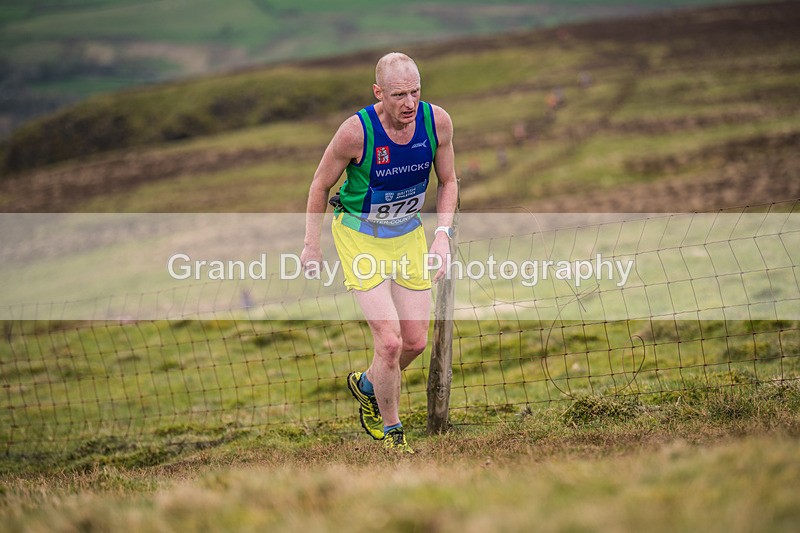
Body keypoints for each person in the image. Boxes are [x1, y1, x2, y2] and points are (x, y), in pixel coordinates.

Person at [301, 52, 458, 454]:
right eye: (399, 94)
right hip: (359, 237)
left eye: (415, 92)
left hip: (408, 235)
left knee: (415, 342)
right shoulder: (355, 133)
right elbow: (319, 185)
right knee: (389, 342)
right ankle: (393, 433)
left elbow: (449, 180)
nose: (409, 103)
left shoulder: (436, 121)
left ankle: (369, 384)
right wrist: (311, 245)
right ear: (378, 93)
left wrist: (442, 234)